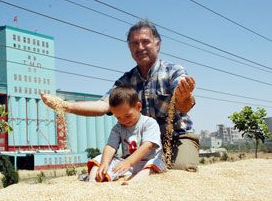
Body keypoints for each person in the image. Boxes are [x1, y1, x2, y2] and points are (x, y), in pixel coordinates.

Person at [41, 19, 199, 172]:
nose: (140, 47)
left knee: (181, 170)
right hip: (141, 144)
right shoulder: (125, 81)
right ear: (130, 49)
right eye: (134, 44)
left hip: (177, 138)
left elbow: (184, 105)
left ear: (157, 44)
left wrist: (184, 96)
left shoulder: (174, 71)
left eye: (145, 41)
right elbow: (103, 105)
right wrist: (65, 105)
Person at [87, 86, 165, 182]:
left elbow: (147, 145)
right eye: (118, 117)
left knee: (156, 163)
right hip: (127, 166)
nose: (123, 120)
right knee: (101, 159)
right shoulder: (118, 128)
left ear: (138, 107)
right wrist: (105, 163)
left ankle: (135, 181)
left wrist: (128, 162)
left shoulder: (149, 123)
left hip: (147, 163)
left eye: (128, 115)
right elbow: (110, 146)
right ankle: (92, 181)